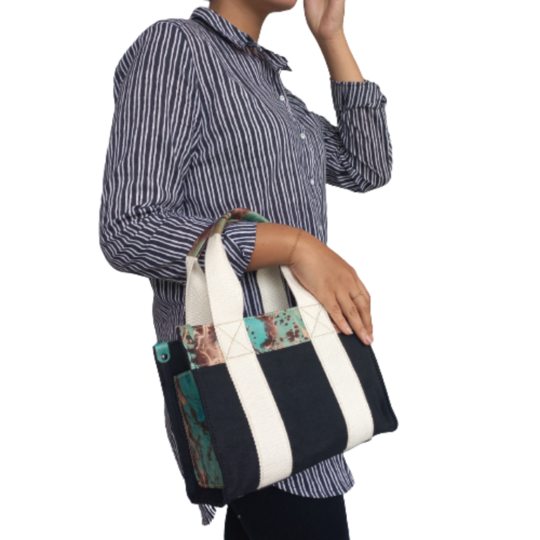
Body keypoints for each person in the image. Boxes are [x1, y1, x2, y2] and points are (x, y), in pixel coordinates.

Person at [99, 1, 393, 538]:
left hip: (304, 379)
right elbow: (130, 228)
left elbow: (367, 164)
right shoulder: (176, 49)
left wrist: (331, 36)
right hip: (246, 388)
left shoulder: (274, 90)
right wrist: (293, 246)